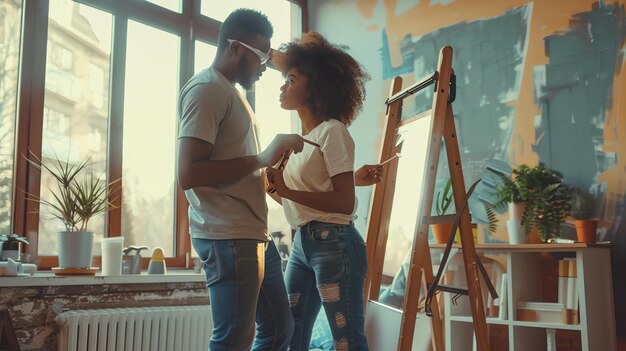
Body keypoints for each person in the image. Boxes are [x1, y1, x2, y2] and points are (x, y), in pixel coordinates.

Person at [177, 9, 305, 351]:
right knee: (233, 340)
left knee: (280, 330)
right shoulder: (207, 90)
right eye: (260, 56)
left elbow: (234, 166)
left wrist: (270, 171)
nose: (264, 67)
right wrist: (262, 158)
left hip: (253, 233)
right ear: (235, 48)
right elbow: (189, 173)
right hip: (228, 234)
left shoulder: (232, 95)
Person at [265, 32, 371, 351]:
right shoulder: (298, 140)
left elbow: (343, 201)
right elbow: (289, 195)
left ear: (314, 88)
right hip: (302, 243)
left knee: (346, 340)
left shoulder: (333, 131)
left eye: (292, 79)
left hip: (334, 243)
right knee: (289, 335)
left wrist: (285, 189)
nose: (283, 86)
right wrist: (273, 186)